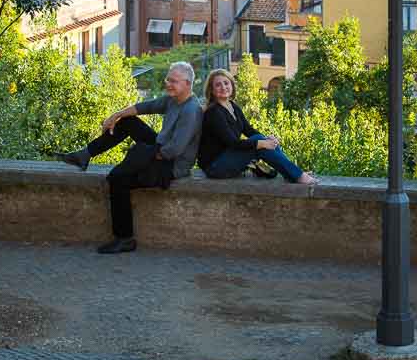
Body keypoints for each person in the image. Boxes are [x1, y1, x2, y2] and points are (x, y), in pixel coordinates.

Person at [55, 61, 202, 254]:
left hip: (171, 165)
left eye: (173, 81)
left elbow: (174, 150)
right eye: (168, 79)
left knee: (118, 179)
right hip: (161, 149)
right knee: (128, 122)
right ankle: (85, 155)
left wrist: (142, 156)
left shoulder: (191, 110)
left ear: (188, 84)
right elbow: (145, 107)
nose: (168, 83)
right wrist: (115, 116)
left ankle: (125, 238)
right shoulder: (173, 100)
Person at [198, 68, 317, 185]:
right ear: (212, 90)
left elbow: (248, 130)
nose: (223, 87)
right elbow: (233, 143)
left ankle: (293, 173)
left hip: (228, 158)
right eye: (218, 85)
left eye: (226, 83)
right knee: (258, 141)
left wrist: (267, 140)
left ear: (232, 85)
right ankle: (297, 175)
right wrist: (261, 143)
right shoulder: (213, 112)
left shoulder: (232, 106)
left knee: (260, 137)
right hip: (214, 167)